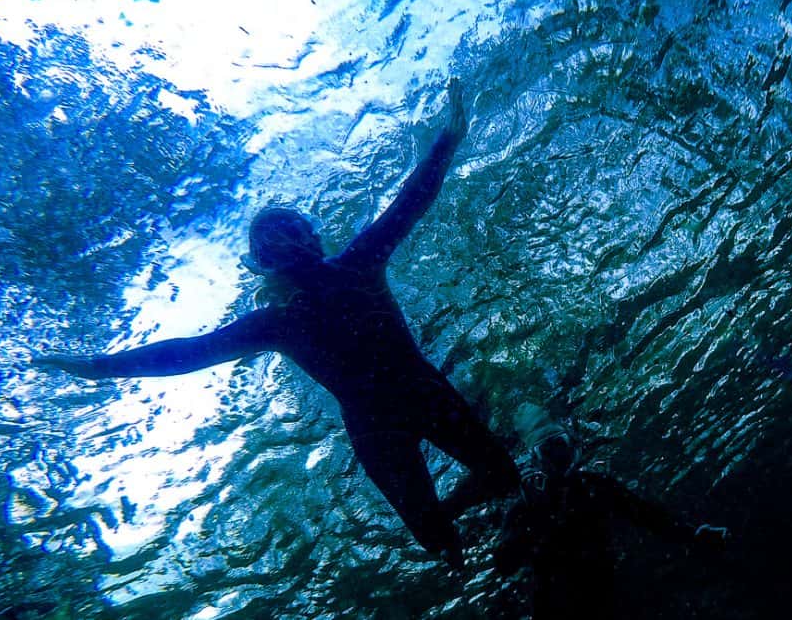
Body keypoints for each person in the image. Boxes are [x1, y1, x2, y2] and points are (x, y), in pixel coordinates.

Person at [33, 80, 520, 568]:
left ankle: (457, 520)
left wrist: (449, 138)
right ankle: (465, 542)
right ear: (262, 265)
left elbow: (411, 199)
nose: (284, 239)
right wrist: (101, 366)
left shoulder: (352, 268)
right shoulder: (281, 320)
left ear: (312, 237)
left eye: (289, 228)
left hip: (414, 396)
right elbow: (186, 352)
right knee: (436, 540)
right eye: (271, 239)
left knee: (501, 479)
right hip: (379, 424)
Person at [493, 404, 728, 618]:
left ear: (573, 446)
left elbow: (646, 514)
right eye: (548, 450)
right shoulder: (526, 506)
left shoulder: (596, 486)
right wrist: (537, 515)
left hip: (605, 595)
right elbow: (504, 564)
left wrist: (693, 534)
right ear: (537, 461)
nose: (558, 456)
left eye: (560, 445)